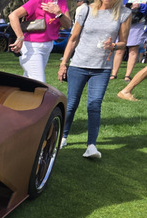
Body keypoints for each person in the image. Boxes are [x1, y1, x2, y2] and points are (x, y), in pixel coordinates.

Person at [58, 0, 131, 159]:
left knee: (94, 105)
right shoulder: (85, 10)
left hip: (102, 68)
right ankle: (63, 137)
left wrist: (114, 46)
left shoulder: (124, 13)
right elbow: (73, 38)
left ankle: (91, 146)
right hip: (78, 64)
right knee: (71, 104)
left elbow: (123, 42)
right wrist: (64, 63)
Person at [9, 0, 72, 82]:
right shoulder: (37, 1)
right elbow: (13, 16)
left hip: (48, 46)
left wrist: (58, 13)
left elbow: (68, 25)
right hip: (32, 47)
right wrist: (20, 36)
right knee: (39, 83)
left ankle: (9, 93)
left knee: (29, 82)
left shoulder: (62, 2)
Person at [110, 0, 147, 81]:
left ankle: (127, 75)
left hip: (138, 25)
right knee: (119, 50)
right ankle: (114, 74)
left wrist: (140, 6)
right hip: (123, 22)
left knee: (133, 50)